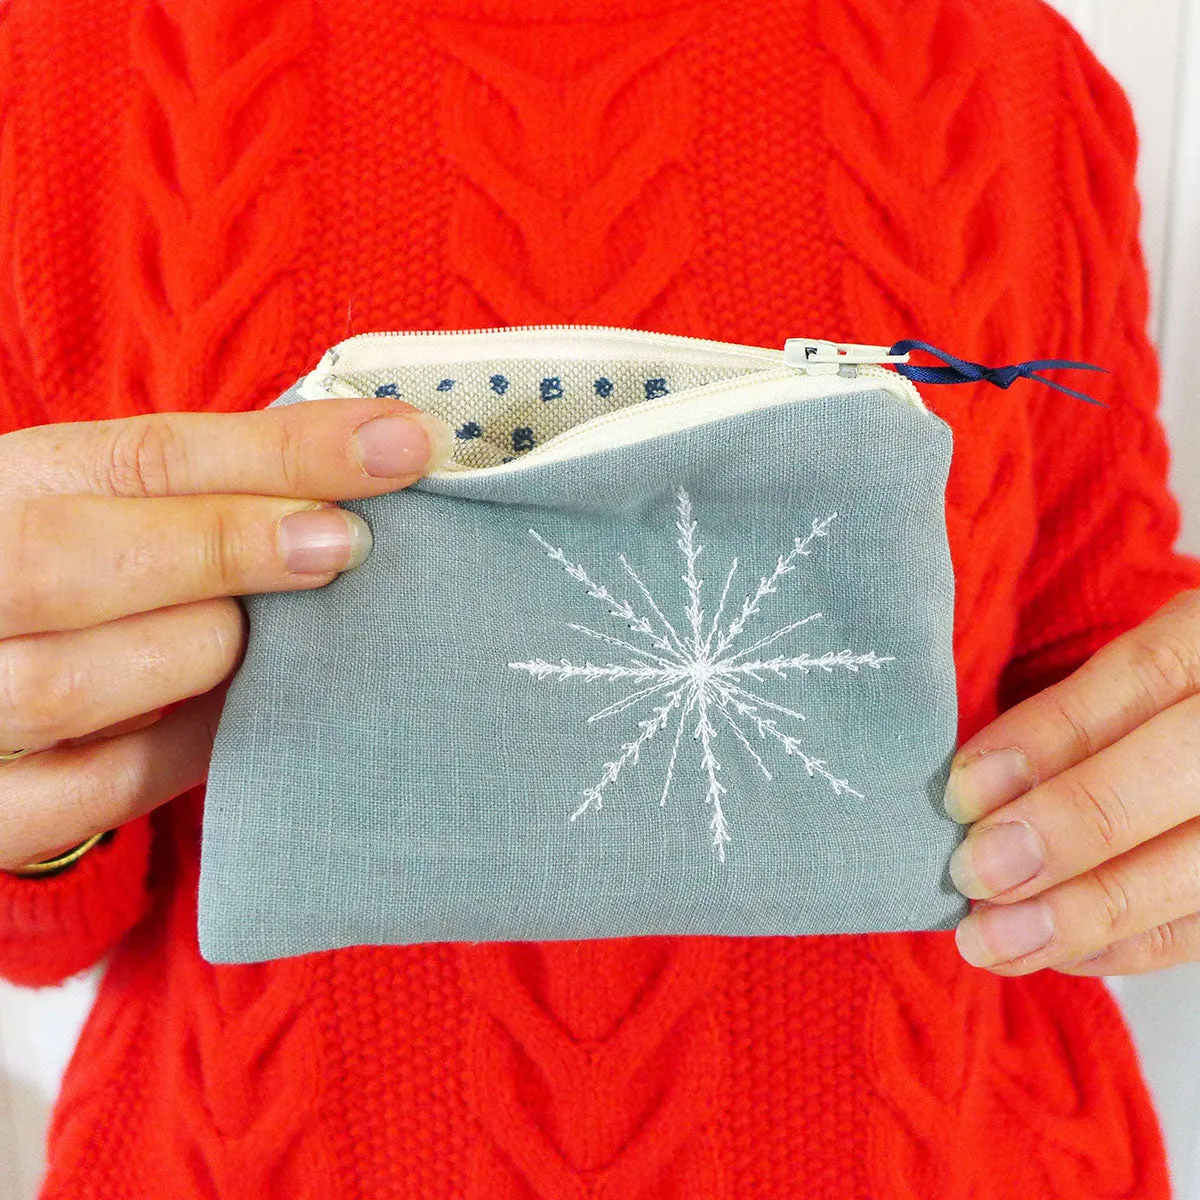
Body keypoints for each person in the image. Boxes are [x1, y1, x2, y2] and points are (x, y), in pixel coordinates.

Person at [1, 0, 1197, 1195]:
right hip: (231, 1153)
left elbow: (1097, 647)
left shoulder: (1006, 71)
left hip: (975, 1147)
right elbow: (45, 934)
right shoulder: (55, 70)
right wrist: (40, 783)